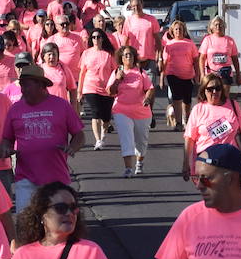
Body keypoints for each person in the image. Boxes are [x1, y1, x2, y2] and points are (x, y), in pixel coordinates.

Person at [0, 64, 84, 213]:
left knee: (59, 222)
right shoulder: (15, 109)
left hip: (57, 177)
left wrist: (72, 147)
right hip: (25, 178)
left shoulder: (61, 105)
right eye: (21, 85)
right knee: (26, 223)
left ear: (40, 85)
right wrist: (5, 148)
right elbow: (7, 138)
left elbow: (79, 134)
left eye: (26, 85)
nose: (22, 89)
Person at [182, 73, 241, 181]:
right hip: (206, 160)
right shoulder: (198, 109)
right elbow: (189, 138)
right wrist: (186, 163)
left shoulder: (233, 105)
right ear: (204, 90)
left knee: (229, 193)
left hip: (229, 159)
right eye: (210, 89)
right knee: (212, 194)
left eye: (217, 88)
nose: (214, 92)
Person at [111, 45, 154, 178]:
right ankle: (128, 168)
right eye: (125, 55)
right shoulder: (117, 72)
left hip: (141, 112)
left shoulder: (140, 72)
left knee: (141, 141)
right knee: (126, 138)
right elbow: (110, 91)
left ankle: (139, 162)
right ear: (121, 58)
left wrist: (147, 98)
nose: (128, 57)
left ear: (134, 57)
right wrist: (118, 79)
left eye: (130, 54)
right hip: (121, 110)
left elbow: (150, 89)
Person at [78, 27, 117, 151]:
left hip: (106, 89)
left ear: (103, 39)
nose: (96, 39)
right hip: (90, 87)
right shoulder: (86, 53)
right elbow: (82, 72)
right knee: (95, 112)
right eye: (93, 37)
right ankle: (97, 140)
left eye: (98, 37)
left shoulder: (109, 54)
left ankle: (103, 136)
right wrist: (79, 91)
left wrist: (115, 87)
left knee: (105, 116)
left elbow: (114, 71)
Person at [160, 19, 200, 131]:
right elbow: (165, 62)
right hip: (173, 74)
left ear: (184, 30)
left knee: (187, 100)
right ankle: (178, 123)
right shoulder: (169, 45)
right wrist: (162, 77)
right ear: (172, 31)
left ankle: (186, 121)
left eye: (180, 29)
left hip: (187, 75)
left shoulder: (189, 43)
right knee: (177, 98)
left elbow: (195, 60)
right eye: (176, 29)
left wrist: (197, 75)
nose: (178, 31)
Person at [122, 0, 163, 92]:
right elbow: (125, 42)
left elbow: (158, 40)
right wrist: (123, 60)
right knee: (137, 91)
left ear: (142, 4)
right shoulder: (129, 21)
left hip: (149, 60)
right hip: (134, 61)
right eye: (134, 6)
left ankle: (149, 108)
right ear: (131, 7)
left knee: (150, 90)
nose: (136, 8)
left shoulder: (151, 20)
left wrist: (160, 58)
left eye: (138, 5)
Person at [198, 15, 238, 85]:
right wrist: (202, 74)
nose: (218, 27)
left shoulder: (230, 40)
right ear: (212, 27)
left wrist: (238, 75)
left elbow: (235, 59)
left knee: (225, 95)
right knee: (212, 94)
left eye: (220, 25)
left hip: (225, 73)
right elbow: (202, 58)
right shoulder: (207, 39)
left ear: (224, 26)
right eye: (216, 25)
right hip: (211, 73)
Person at [39, 42, 77, 111]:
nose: (52, 57)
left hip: (61, 108)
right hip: (44, 109)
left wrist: (73, 107)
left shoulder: (64, 68)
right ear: (43, 56)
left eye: (54, 54)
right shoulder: (39, 69)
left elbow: (73, 88)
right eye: (49, 54)